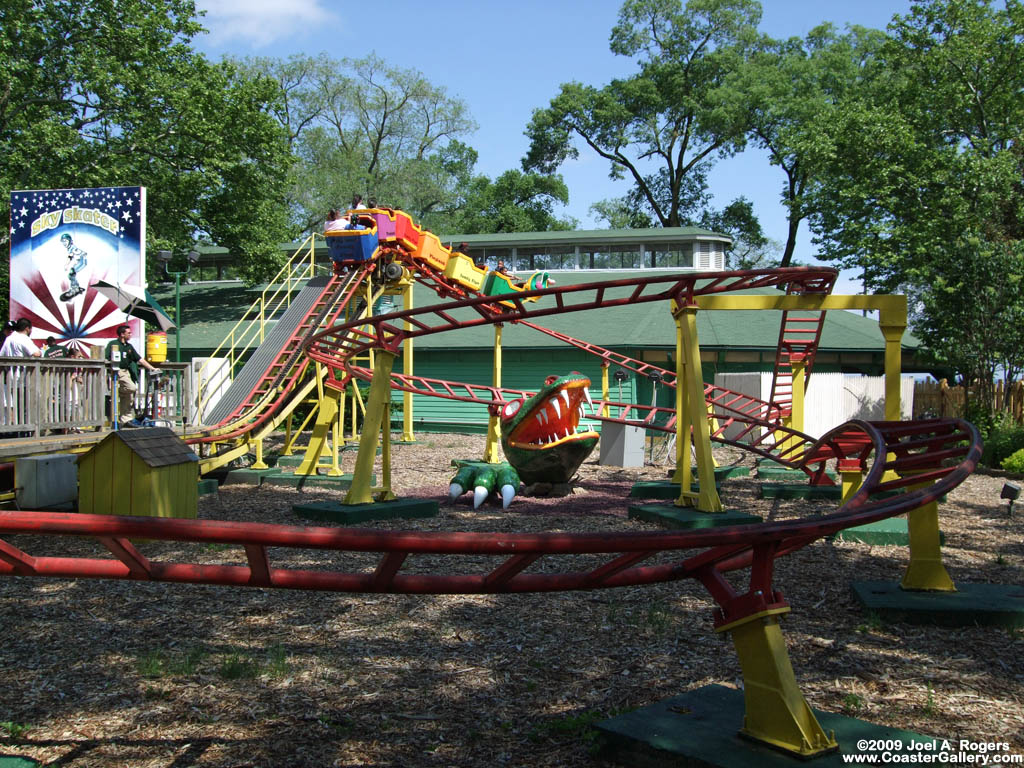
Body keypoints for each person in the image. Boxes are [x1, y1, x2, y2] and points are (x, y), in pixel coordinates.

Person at [105, 324, 159, 426]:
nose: (130, 334)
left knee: (129, 397)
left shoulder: (129, 346)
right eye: (128, 333)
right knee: (132, 388)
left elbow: (140, 359)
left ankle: (126, 419)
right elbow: (106, 357)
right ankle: (121, 391)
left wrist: (152, 368)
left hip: (126, 372)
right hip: (117, 371)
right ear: (122, 334)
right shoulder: (113, 344)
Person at [60, 233, 88, 301]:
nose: (64, 243)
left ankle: (75, 289)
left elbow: (72, 256)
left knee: (71, 274)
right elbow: (72, 255)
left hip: (82, 262)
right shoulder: (70, 247)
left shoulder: (72, 248)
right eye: (63, 241)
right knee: (72, 274)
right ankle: (75, 288)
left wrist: (67, 264)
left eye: (65, 241)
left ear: (69, 241)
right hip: (80, 261)